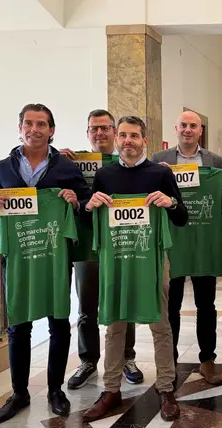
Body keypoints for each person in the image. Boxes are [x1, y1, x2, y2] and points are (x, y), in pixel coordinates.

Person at [0, 103, 92, 424]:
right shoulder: (1, 170)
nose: (35, 129)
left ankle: (56, 390)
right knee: (19, 325)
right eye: (29, 123)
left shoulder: (67, 168)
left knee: (59, 322)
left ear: (51, 130)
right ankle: (19, 393)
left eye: (42, 124)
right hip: (19, 257)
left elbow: (86, 203)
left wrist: (75, 202)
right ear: (20, 128)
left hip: (55, 256)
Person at [82, 116, 188, 422]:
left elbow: (182, 217)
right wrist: (89, 206)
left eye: (135, 136)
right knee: (114, 325)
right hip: (116, 259)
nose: (129, 141)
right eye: (124, 135)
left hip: (153, 259)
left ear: (145, 141)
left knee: (160, 323)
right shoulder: (104, 175)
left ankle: (166, 387)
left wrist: (169, 202)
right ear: (116, 139)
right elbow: (92, 222)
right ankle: (111, 389)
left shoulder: (160, 173)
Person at [59, 109, 144, 390]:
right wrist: (57, 159)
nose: (100, 133)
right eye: (94, 128)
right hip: (86, 244)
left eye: (106, 128)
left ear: (114, 132)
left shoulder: (127, 161)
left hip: (121, 242)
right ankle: (88, 360)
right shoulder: (72, 164)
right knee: (86, 307)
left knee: (124, 303)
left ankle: (127, 358)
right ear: (87, 133)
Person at [151, 110, 222, 385]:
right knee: (172, 307)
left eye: (193, 125)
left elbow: (221, 199)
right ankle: (170, 362)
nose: (188, 130)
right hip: (173, 244)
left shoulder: (214, 161)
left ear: (200, 130)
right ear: (176, 128)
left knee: (207, 305)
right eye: (183, 125)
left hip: (204, 242)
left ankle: (208, 360)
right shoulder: (159, 161)